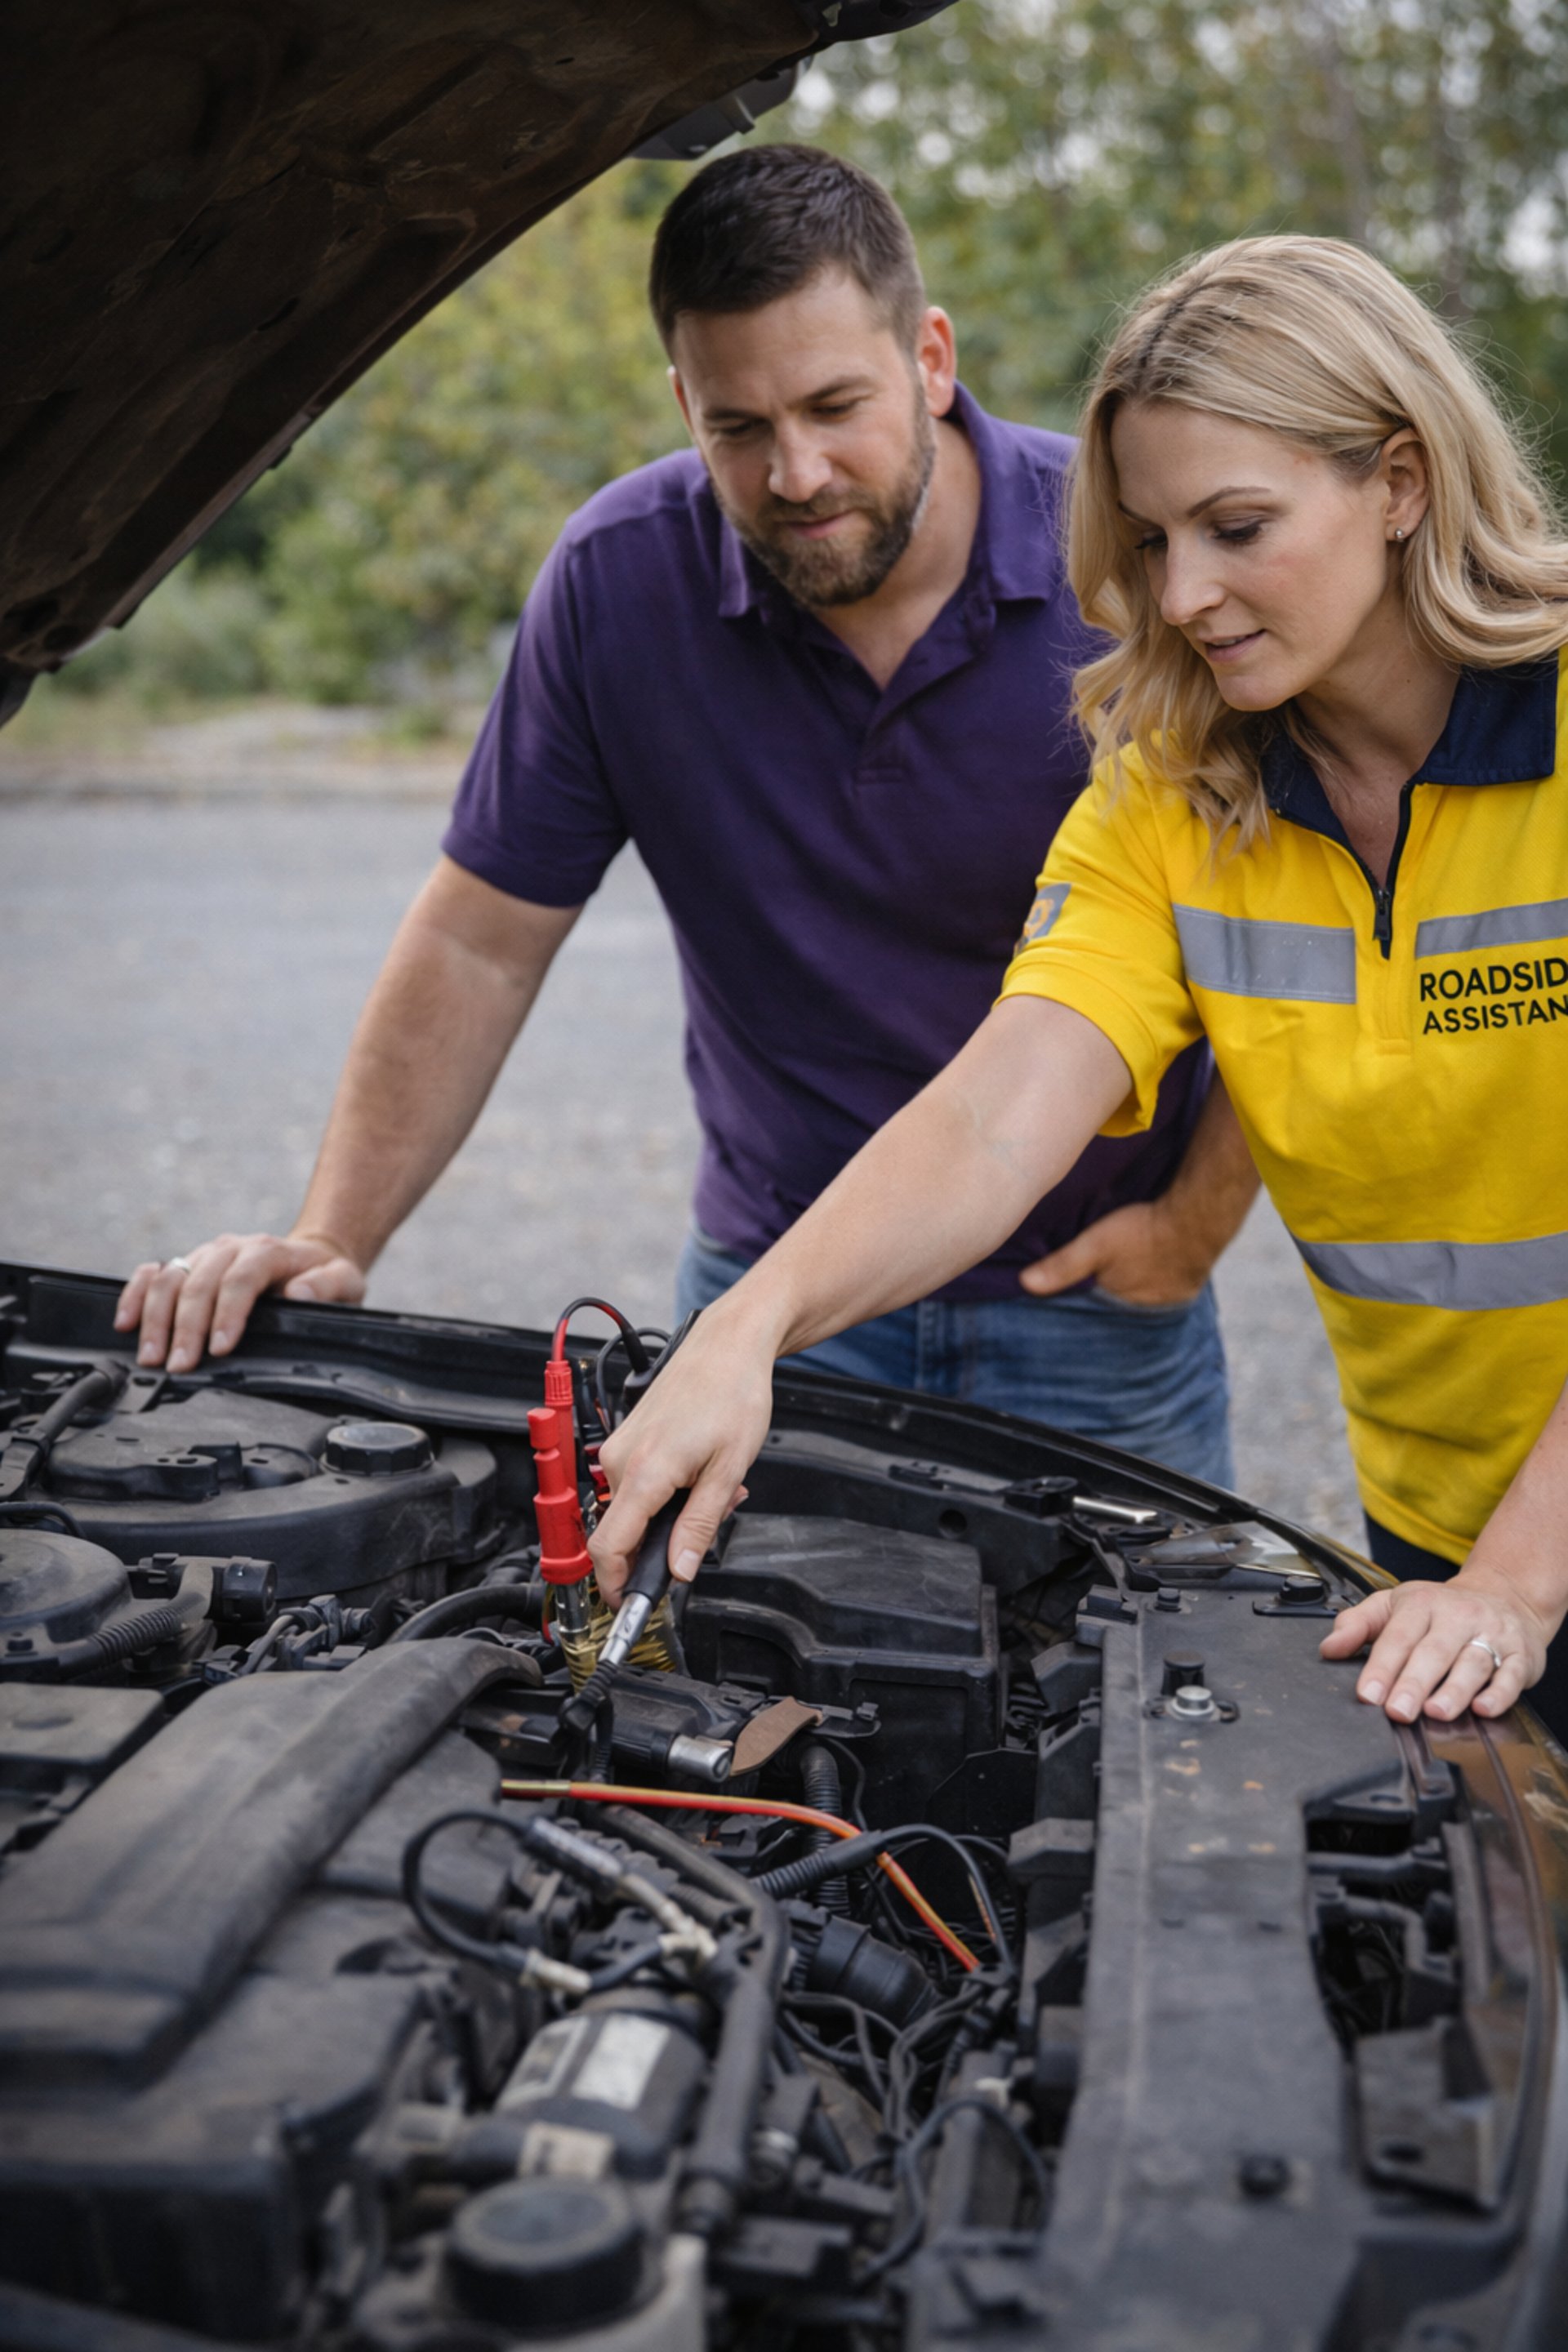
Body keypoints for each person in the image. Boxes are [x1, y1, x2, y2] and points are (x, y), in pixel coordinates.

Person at [117, 145, 1258, 1481]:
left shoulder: (1132, 560)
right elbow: (480, 940)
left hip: (1092, 1308)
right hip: (767, 1294)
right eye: (738, 427)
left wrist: (1194, 1221)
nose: (797, 473)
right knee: (719, 1683)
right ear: (683, 403)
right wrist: (335, 1237)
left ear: (931, 358)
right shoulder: (616, 586)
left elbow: (1286, 910)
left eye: (837, 404)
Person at [588, 231, 1568, 1742]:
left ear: (1400, 479)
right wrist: (751, 1325)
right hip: (1436, 1545)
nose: (1182, 597)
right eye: (1156, 541)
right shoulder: (1172, 796)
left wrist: (1520, 1578)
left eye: (1239, 527)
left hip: (1514, 1565)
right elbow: (999, 1110)